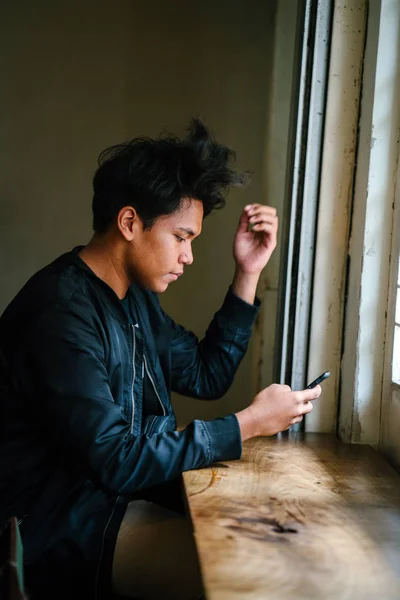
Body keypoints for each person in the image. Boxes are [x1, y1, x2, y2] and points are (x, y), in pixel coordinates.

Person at [0, 118, 321, 600]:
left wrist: (248, 271)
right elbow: (115, 458)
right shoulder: (61, 311)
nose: (188, 256)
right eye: (182, 237)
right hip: (58, 529)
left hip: (113, 502)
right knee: (248, 575)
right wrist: (247, 424)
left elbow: (206, 373)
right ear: (130, 223)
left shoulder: (134, 298)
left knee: (278, 541)